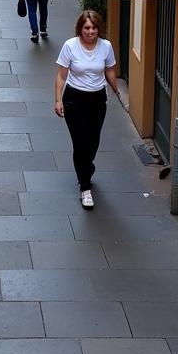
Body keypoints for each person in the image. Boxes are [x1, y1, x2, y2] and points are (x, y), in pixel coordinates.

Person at [54, 11, 119, 209]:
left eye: (94, 28)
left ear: (99, 28)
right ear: (80, 29)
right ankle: (85, 188)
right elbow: (61, 76)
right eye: (87, 28)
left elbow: (109, 69)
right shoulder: (70, 46)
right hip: (74, 99)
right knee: (80, 143)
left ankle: (86, 167)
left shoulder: (106, 46)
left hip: (97, 99)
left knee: (93, 142)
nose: (91, 32)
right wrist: (58, 100)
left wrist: (116, 90)